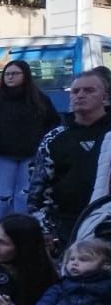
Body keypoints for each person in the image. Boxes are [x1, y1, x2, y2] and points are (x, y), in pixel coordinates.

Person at [28, 66, 111, 249]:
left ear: (105, 98)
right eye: (75, 91)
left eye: (89, 90)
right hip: (67, 229)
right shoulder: (55, 138)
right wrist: (46, 230)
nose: (80, 95)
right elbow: (38, 192)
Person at [0, 59, 58, 219]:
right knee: (4, 197)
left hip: (30, 156)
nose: (10, 77)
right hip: (2, 156)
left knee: (24, 196)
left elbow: (54, 123)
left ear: (25, 75)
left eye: (15, 73)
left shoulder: (39, 99)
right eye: (7, 74)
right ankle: (1, 231)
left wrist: (41, 142)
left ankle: (22, 232)